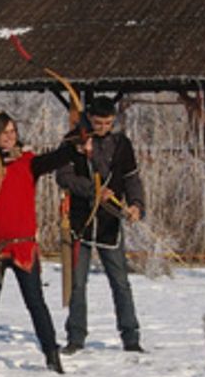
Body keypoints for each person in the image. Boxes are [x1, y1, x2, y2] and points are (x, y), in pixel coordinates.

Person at [0, 111, 84, 374]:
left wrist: (75, 142)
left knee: (35, 301)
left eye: (13, 132)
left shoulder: (28, 161)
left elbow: (54, 159)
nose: (11, 137)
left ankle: (51, 354)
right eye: (5, 133)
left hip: (23, 246)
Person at [56, 96, 145, 354]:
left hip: (110, 222)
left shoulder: (121, 144)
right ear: (89, 118)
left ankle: (131, 337)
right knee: (77, 283)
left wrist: (136, 204)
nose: (104, 126)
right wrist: (93, 190)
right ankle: (75, 337)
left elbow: (131, 179)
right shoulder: (73, 141)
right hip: (81, 221)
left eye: (108, 122)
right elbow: (63, 177)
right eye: (98, 122)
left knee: (120, 282)